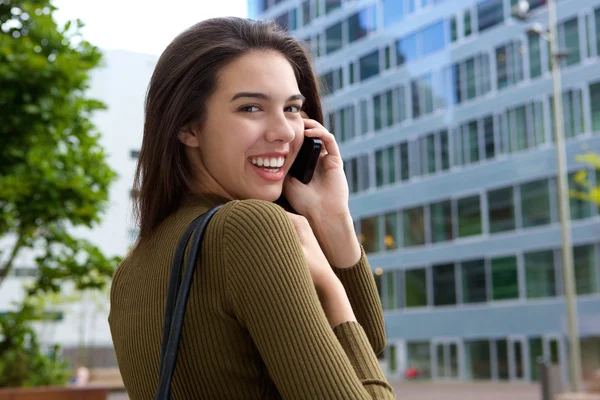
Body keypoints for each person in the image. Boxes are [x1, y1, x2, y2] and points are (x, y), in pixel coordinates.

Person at [108, 16, 396, 399]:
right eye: (251, 108)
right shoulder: (251, 226)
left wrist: (332, 218)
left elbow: (365, 344)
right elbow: (364, 363)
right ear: (188, 127)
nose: (283, 132)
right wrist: (330, 285)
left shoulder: (131, 270)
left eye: (293, 108)